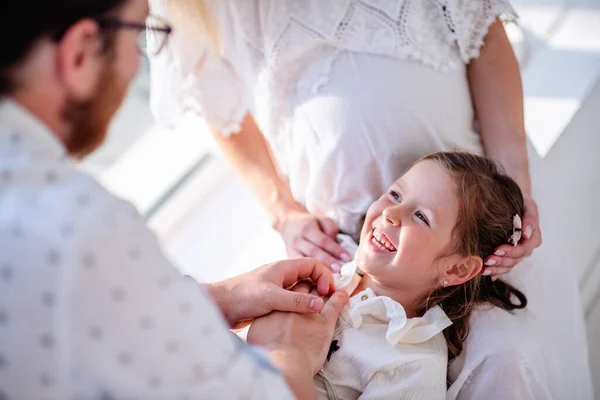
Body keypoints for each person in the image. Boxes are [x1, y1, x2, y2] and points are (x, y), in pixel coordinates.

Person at [149, 0, 592, 398]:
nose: (390, 212)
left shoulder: (407, 368)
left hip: (477, 221)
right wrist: (284, 213)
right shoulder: (312, 293)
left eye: (414, 211)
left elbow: (484, 32)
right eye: (393, 195)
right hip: (341, 237)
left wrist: (285, 361)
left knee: (505, 362)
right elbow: (218, 103)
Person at [0, 1, 349, 399]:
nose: (136, 67)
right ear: (80, 53)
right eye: (137, 34)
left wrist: (220, 298)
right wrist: (290, 350)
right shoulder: (79, 227)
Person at [249, 152, 542, 399]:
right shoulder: (319, 265)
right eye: (395, 194)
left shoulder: (413, 366)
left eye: (421, 216)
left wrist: (283, 354)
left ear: (456, 269)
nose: (391, 213)